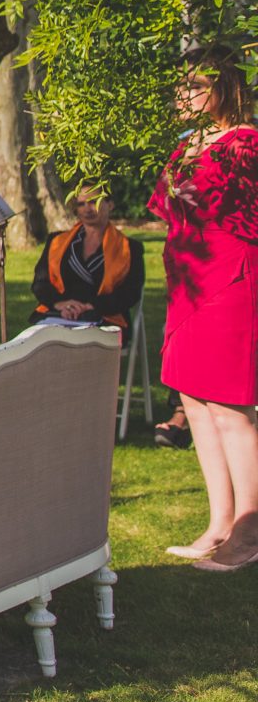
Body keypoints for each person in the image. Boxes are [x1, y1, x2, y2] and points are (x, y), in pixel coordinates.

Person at [150, 46, 258, 570]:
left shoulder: (246, 143)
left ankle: (250, 529)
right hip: (187, 282)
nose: (182, 93)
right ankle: (219, 522)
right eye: (180, 84)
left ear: (224, 85)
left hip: (229, 279)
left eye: (193, 83)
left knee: (229, 406)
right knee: (193, 399)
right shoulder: (189, 143)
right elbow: (167, 206)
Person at [29, 187, 146, 339]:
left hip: (105, 318)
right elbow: (40, 283)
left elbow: (130, 293)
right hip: (59, 314)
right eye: (81, 204)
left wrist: (90, 306)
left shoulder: (129, 248)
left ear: (110, 205)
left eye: (93, 202)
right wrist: (61, 304)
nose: (87, 209)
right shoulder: (57, 242)